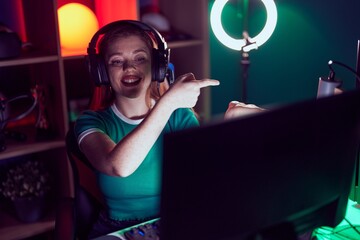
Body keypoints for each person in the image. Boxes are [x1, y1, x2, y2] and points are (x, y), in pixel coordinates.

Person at [74, 20, 265, 238]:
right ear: (101, 71)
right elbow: (118, 166)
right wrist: (168, 102)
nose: (129, 68)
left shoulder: (178, 116)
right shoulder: (91, 122)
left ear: (157, 66)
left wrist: (239, 129)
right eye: (116, 61)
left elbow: (204, 175)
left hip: (174, 224)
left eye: (140, 58)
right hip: (117, 231)